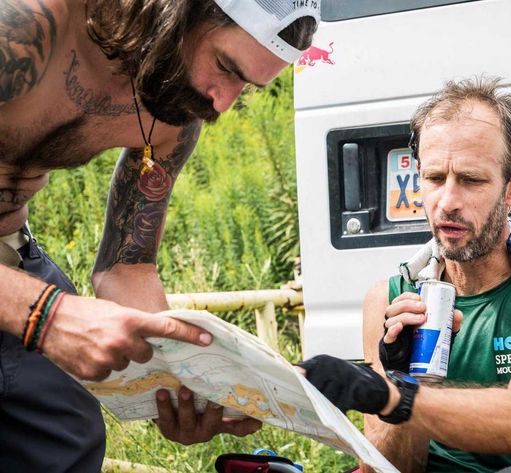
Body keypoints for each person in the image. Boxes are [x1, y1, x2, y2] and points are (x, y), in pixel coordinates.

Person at [0, 0, 318, 471]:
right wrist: (44, 315)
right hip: (25, 299)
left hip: (14, 257)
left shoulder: (175, 109)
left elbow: (127, 266)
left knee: (66, 442)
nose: (222, 102)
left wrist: (178, 382)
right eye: (225, 67)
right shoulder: (22, 30)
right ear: (175, 12)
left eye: (244, 86)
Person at [300, 77, 511, 473]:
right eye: (435, 179)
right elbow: (394, 468)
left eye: (470, 180)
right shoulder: (390, 297)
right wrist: (408, 374)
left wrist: (391, 395)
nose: (448, 202)